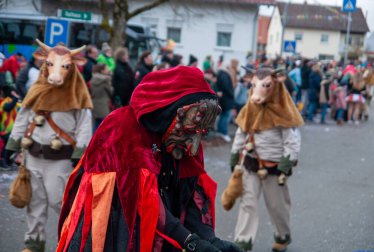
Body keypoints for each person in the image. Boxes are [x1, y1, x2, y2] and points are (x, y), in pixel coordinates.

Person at [57, 66, 243, 252]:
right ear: (172, 112)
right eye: (190, 131)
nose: (193, 146)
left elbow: (191, 196)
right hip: (118, 231)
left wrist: (209, 239)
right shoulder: (123, 127)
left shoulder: (186, 134)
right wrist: (190, 241)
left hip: (164, 234)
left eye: (201, 134)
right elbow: (145, 202)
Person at [4, 40, 93, 252]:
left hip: (60, 159)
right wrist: (13, 144)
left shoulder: (76, 93)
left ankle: (71, 241)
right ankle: (34, 244)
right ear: (46, 64)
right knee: (34, 203)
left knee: (59, 202)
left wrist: (80, 151)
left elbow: (84, 124)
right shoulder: (36, 90)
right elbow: (23, 117)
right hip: (33, 155)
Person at [229, 67, 303, 252]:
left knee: (277, 206)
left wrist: (287, 161)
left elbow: (292, 140)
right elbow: (241, 132)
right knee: (248, 203)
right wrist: (234, 154)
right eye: (254, 85)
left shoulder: (283, 110)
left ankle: (282, 236)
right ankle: (242, 242)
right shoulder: (250, 108)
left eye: (265, 85)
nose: (257, 91)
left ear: (274, 86)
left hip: (275, 167)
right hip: (251, 163)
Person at [0, 84, 21, 169]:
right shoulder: (4, 102)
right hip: (4, 130)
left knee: (10, 145)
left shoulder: (11, 100)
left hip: (9, 129)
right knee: (6, 145)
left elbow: (20, 106)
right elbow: (8, 107)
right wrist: (15, 98)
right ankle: (3, 161)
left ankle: (7, 161)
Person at [90, 63, 113, 132]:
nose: (108, 70)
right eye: (106, 69)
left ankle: (94, 139)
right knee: (104, 124)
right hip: (103, 104)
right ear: (102, 71)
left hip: (94, 103)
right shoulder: (105, 80)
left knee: (96, 123)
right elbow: (110, 92)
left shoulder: (93, 79)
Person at [216, 63, 235, 142]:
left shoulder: (220, 73)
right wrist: (232, 94)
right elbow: (226, 86)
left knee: (223, 115)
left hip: (223, 99)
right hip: (226, 99)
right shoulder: (224, 74)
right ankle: (224, 132)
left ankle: (220, 131)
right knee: (226, 116)